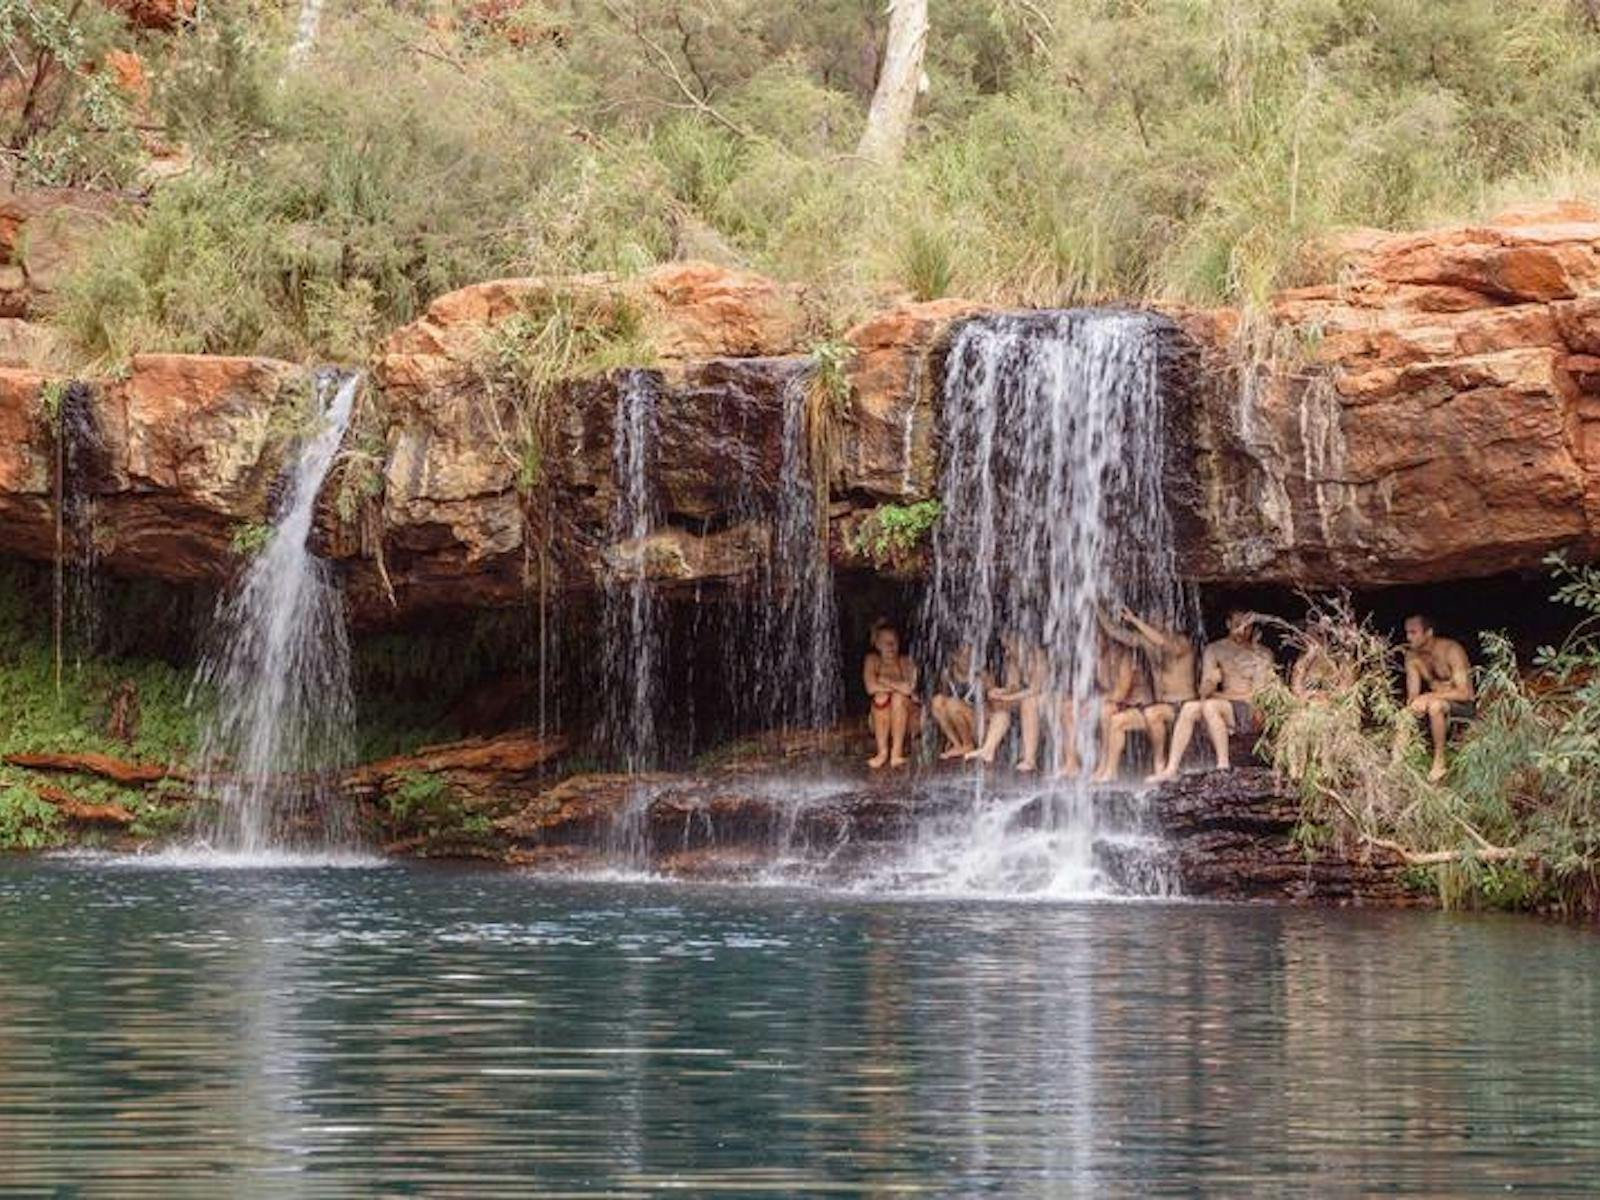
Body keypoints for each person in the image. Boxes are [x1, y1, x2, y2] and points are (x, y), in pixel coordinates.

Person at [1148, 609, 1276, 781]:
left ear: (1253, 628)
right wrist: (1211, 683)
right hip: (1227, 707)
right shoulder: (1215, 649)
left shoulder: (1262, 654)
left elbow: (1257, 697)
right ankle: (1171, 768)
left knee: (1211, 705)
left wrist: (1217, 695)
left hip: (1251, 711)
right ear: (1228, 624)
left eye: (1247, 626)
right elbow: (1203, 692)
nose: (1242, 630)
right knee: (1189, 707)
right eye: (1237, 625)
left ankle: (1223, 765)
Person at [1097, 606, 1196, 779]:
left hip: (1182, 705)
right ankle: (1110, 772)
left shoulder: (1182, 642)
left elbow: (1163, 643)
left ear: (1168, 621)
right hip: (1157, 706)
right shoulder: (1148, 644)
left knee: (1152, 714)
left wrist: (1135, 620)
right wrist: (1098, 609)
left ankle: (1159, 764)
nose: (1152, 622)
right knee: (1117, 721)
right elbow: (1117, 633)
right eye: (1149, 619)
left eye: (1155, 619)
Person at [1394, 613, 1474, 782]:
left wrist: (1430, 696)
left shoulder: (1451, 650)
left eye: (1413, 632)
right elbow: (1413, 696)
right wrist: (1415, 704)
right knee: (1405, 713)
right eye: (1407, 632)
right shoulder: (1412, 657)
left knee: (1435, 706)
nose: (1408, 637)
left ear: (1428, 633)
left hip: (1463, 706)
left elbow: (1464, 693)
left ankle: (1439, 761)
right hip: (1436, 702)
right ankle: (1397, 763)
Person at [966, 635, 1048, 771]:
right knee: (1001, 708)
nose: (1007, 652)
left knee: (1028, 703)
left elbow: (1036, 689)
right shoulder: (1013, 660)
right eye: (1005, 648)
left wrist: (1008, 698)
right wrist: (999, 693)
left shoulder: (1038, 656)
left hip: (1049, 698)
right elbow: (1013, 686)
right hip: (1028, 698)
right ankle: (988, 749)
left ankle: (1029, 759)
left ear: (1020, 642)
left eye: (1009, 647)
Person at [863, 619, 919, 770]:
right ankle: (882, 752)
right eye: (885, 642)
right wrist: (897, 687)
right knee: (880, 697)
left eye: (894, 642)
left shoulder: (906, 661)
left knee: (898, 698)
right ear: (877, 645)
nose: (891, 646)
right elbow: (870, 687)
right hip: (880, 720)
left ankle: (896, 753)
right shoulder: (872, 660)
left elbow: (908, 689)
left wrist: (884, 680)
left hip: (910, 721)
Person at [931, 644, 986, 761]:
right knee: (937, 701)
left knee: (953, 705)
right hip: (957, 719)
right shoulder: (947, 675)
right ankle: (956, 743)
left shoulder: (981, 675)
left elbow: (992, 703)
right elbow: (943, 701)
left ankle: (968, 744)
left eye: (970, 656)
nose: (968, 660)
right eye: (964, 656)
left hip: (977, 723)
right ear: (954, 657)